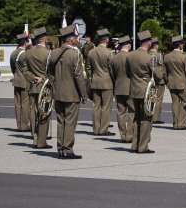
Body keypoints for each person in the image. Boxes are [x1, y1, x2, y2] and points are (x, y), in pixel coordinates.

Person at [49, 25, 86, 159]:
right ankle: (68, 149)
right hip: (71, 94)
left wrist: (55, 85)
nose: (77, 39)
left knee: (61, 121)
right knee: (70, 122)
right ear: (70, 39)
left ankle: (60, 148)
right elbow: (78, 76)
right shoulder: (74, 54)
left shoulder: (54, 53)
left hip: (58, 92)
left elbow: (50, 73)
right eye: (75, 37)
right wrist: (84, 94)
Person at [19, 27, 52, 149]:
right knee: (44, 114)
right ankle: (41, 141)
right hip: (45, 88)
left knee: (33, 113)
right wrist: (42, 79)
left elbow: (24, 70)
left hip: (33, 86)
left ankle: (35, 138)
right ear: (45, 39)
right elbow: (51, 72)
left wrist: (33, 77)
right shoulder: (48, 53)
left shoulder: (28, 53)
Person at [127, 31, 156, 154]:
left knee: (136, 119)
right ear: (148, 43)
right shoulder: (150, 57)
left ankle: (135, 145)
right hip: (146, 91)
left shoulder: (130, 56)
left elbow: (128, 73)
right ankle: (143, 146)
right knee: (146, 119)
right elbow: (157, 75)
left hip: (133, 90)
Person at [88, 28, 115, 135]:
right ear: (106, 40)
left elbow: (89, 68)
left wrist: (92, 76)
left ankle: (96, 129)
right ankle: (103, 129)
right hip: (107, 82)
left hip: (95, 81)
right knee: (106, 107)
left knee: (96, 106)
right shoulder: (108, 53)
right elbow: (112, 69)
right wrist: (114, 80)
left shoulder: (91, 52)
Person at [165, 35, 186, 130]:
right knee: (184, 102)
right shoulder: (183, 57)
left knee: (175, 103)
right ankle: (181, 123)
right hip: (182, 83)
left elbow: (164, 72)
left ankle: (175, 123)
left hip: (171, 83)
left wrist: (167, 82)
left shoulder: (167, 57)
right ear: (180, 45)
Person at [110, 36, 133, 143]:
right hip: (130, 88)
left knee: (121, 113)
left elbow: (112, 74)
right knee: (133, 112)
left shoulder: (114, 57)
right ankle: (129, 135)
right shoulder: (131, 57)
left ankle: (123, 136)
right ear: (128, 45)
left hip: (118, 87)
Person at [9, 32, 31, 131]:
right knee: (25, 104)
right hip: (25, 81)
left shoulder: (13, 53)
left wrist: (16, 74)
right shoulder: (25, 54)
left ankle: (19, 125)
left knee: (18, 104)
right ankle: (24, 125)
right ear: (25, 43)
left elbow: (13, 67)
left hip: (17, 79)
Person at [150, 37, 167, 123]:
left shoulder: (147, 53)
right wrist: (165, 79)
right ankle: (156, 118)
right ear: (156, 46)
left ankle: (149, 115)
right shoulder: (159, 55)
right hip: (159, 81)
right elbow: (162, 69)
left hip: (149, 80)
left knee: (150, 99)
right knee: (158, 99)